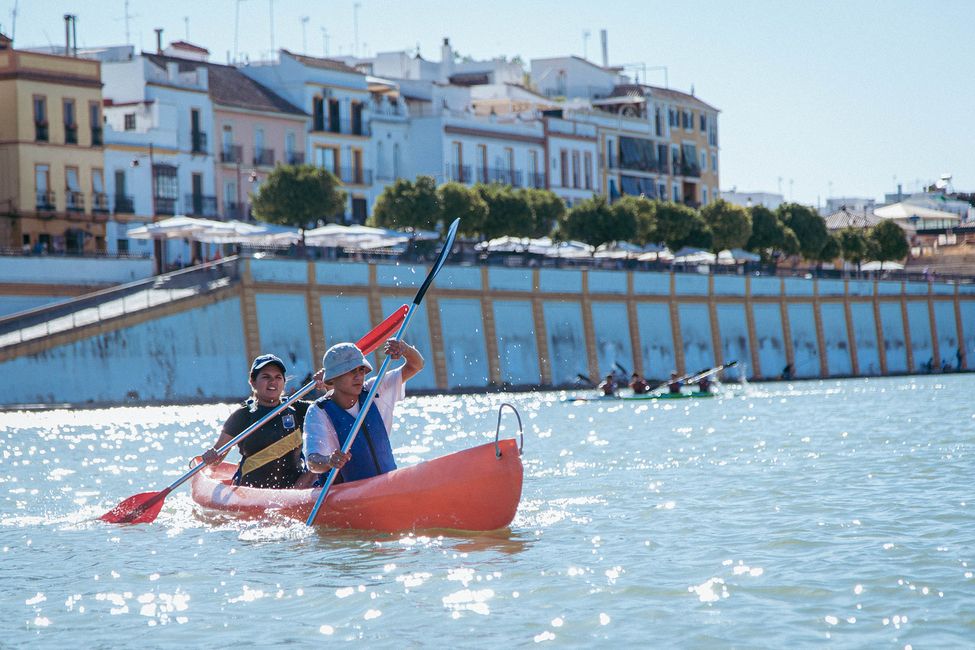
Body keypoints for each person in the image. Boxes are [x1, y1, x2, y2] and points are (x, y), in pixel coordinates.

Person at [303, 338, 425, 484]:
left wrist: (404, 349)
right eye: (350, 371)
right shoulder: (318, 411)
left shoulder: (375, 389)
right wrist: (329, 460)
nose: (358, 376)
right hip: (345, 494)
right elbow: (312, 462)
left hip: (387, 485)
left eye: (361, 370)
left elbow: (416, 365)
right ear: (332, 379)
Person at [201, 354, 322, 489]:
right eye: (266, 377)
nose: (273, 382)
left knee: (317, 466)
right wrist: (211, 457)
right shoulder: (243, 415)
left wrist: (329, 383)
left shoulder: (299, 409)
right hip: (252, 489)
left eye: (278, 377)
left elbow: (334, 407)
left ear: (284, 382)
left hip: (294, 489)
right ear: (252, 382)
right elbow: (216, 460)